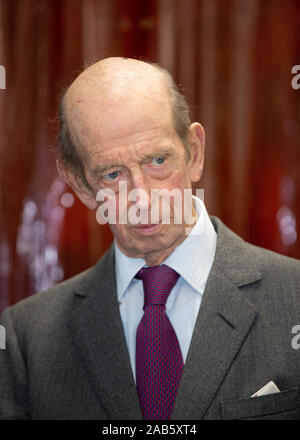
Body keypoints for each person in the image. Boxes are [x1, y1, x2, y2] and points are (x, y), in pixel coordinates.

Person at [0, 57, 300, 420]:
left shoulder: (294, 296)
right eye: (112, 173)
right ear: (80, 183)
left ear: (194, 151)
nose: (142, 197)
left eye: (158, 160)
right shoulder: (27, 338)